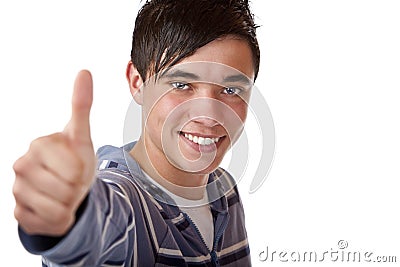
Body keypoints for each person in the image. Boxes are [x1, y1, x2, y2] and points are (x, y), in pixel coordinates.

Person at [12, 0, 260, 266]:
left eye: (231, 90)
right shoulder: (126, 197)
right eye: (181, 85)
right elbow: (101, 230)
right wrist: (66, 218)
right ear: (137, 82)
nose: (209, 115)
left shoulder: (224, 189)